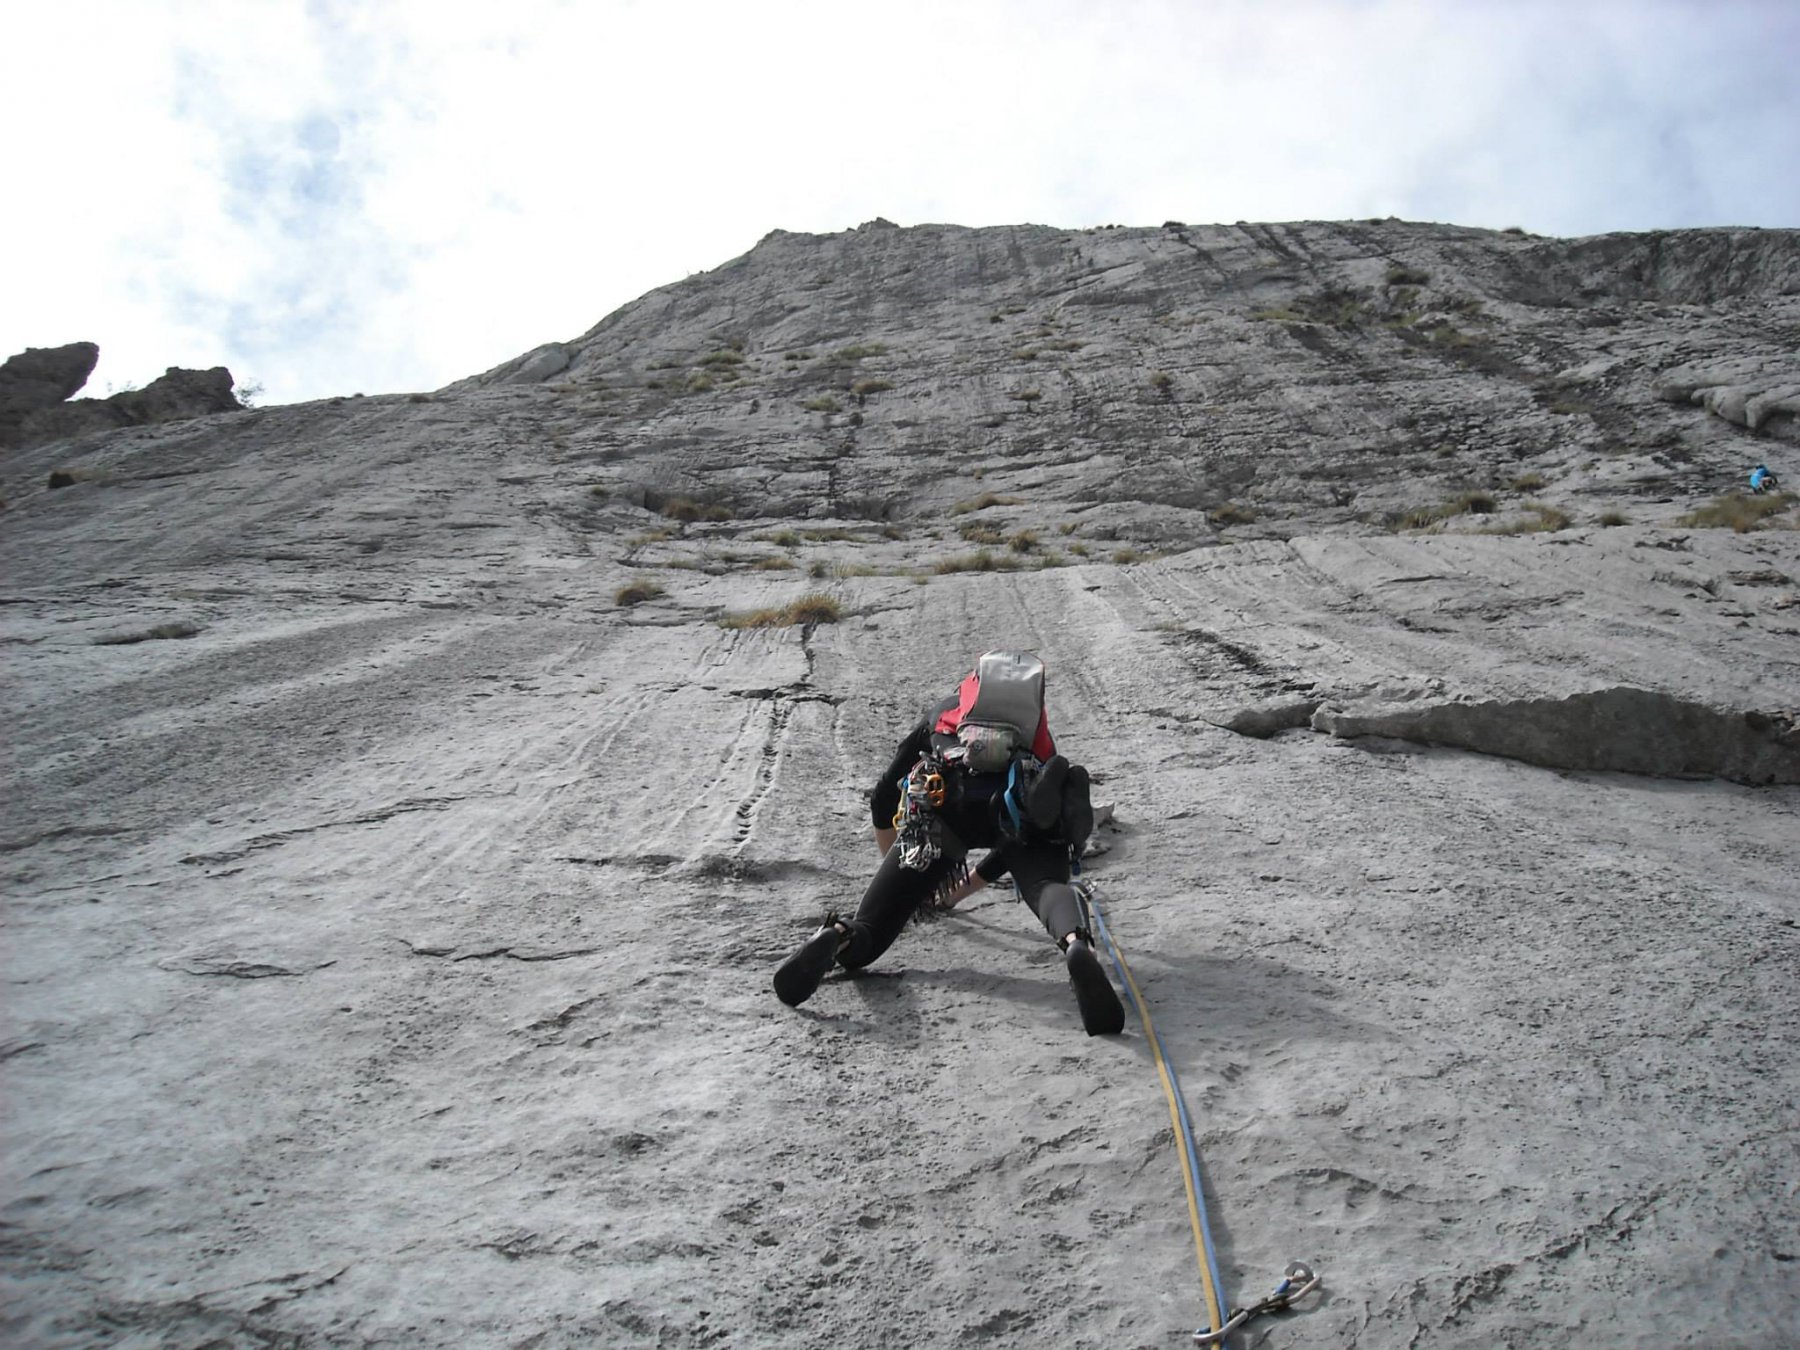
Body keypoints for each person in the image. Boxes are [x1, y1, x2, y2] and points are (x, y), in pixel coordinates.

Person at [773, 651, 1126, 1036]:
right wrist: (965, 887)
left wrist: (901, 870)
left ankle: (839, 936)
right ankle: (1075, 943)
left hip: (945, 811)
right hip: (1017, 811)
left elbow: (883, 798)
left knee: (871, 931)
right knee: (1046, 886)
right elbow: (1010, 847)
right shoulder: (1032, 734)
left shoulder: (943, 714)